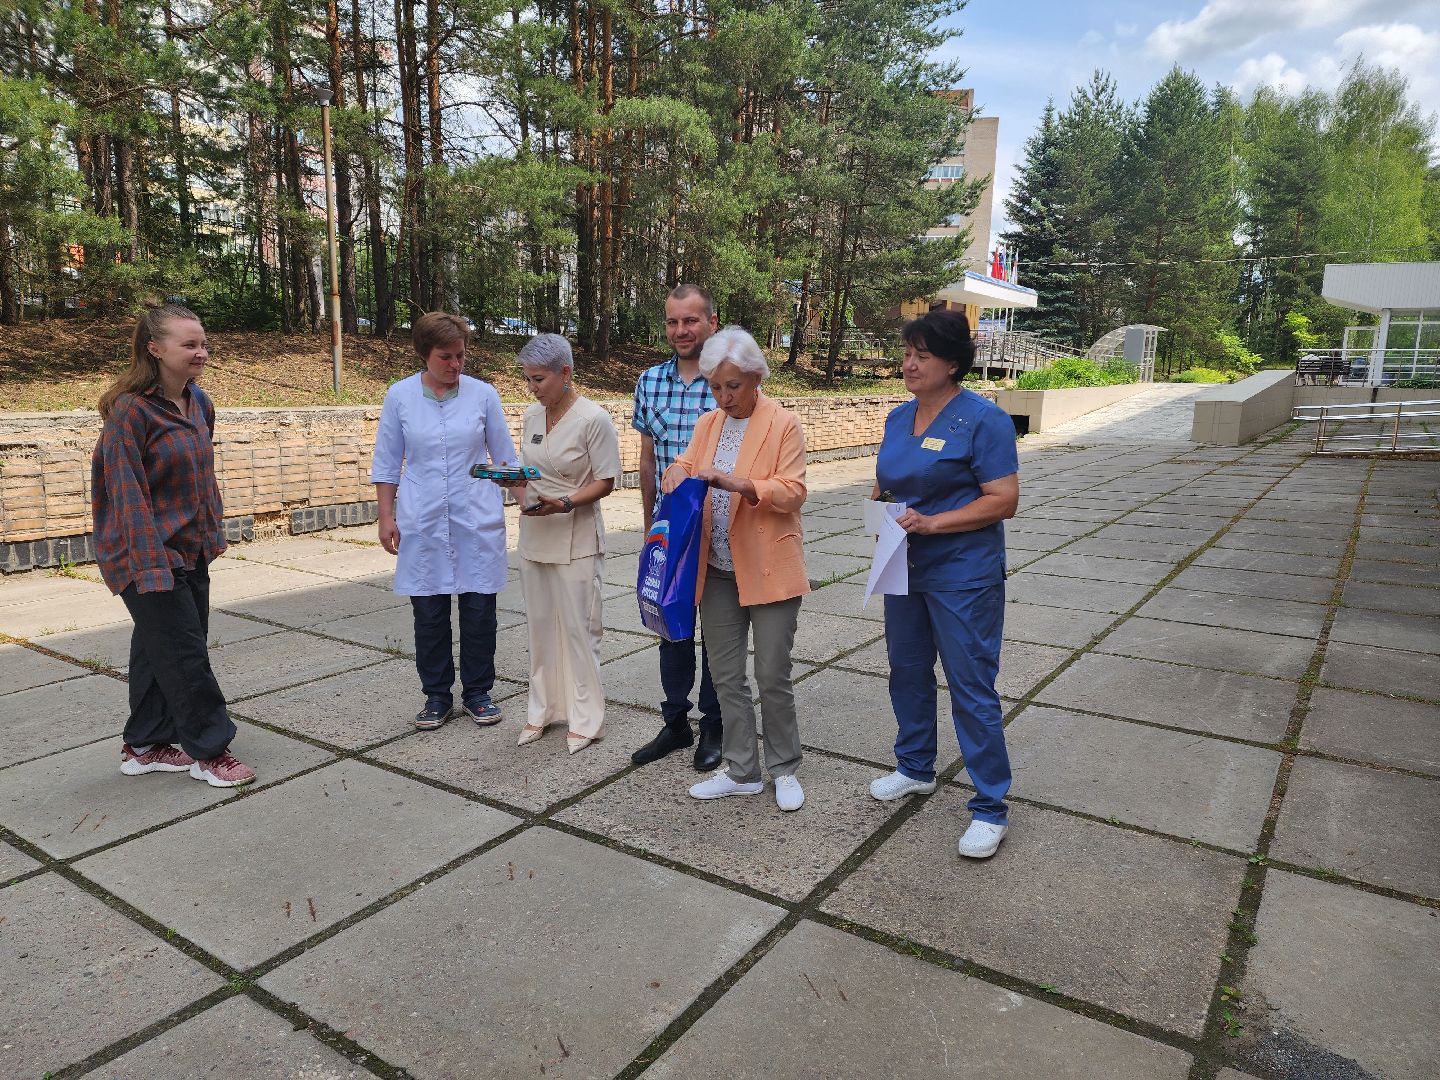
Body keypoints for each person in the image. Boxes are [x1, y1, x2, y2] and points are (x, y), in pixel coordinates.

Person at [868, 308, 1020, 859]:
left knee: (970, 684)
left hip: (962, 572)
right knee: (906, 670)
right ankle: (915, 767)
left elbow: (1003, 499)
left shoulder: (985, 421)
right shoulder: (897, 418)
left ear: (953, 364)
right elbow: (889, 481)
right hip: (902, 564)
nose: (909, 363)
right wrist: (882, 506)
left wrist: (932, 522)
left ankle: (989, 806)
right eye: (907, 353)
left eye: (922, 355)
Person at [92, 303, 254, 787]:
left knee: (157, 649)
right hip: (146, 555)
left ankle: (144, 745)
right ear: (155, 349)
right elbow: (126, 495)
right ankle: (210, 750)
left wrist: (211, 534)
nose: (201, 351)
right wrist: (152, 568)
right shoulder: (130, 412)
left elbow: (200, 478)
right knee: (186, 657)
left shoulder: (199, 402)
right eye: (189, 344)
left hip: (190, 549)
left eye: (203, 343)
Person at [662, 325, 810, 812]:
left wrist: (738, 482)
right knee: (726, 676)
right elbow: (683, 465)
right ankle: (743, 769)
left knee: (772, 673)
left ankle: (784, 767)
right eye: (715, 386)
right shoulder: (708, 424)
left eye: (733, 386)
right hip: (717, 568)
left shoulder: (783, 424)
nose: (724, 397)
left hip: (769, 565)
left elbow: (792, 491)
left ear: (756, 377)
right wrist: (675, 473)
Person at [372, 312, 517, 731]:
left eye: (461, 355)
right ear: (423, 354)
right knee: (430, 613)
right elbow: (386, 462)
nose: (456, 364)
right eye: (446, 357)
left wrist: (527, 499)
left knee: (478, 612)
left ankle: (477, 692)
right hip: (423, 520)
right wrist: (386, 517)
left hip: (475, 518)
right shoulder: (399, 397)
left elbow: (504, 459)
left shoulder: (483, 395)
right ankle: (437, 696)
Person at [629, 284, 725, 770]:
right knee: (669, 626)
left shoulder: (729, 381)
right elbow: (647, 461)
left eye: (690, 321)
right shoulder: (650, 381)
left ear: (711, 322)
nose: (681, 330)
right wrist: (649, 524)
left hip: (719, 530)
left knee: (717, 632)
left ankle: (714, 725)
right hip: (671, 531)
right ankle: (675, 722)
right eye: (673, 321)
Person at [511, 333, 621, 754]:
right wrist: (515, 485)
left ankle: (586, 717)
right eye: (528, 379)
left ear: (565, 373)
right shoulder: (530, 416)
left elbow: (606, 480)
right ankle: (542, 710)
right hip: (536, 530)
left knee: (580, 630)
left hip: (575, 532)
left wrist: (566, 502)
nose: (532, 387)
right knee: (540, 629)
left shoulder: (594, 418)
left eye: (539, 379)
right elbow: (527, 472)